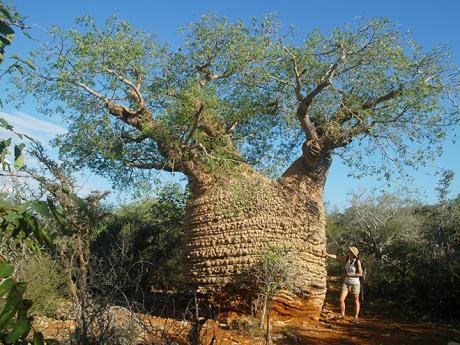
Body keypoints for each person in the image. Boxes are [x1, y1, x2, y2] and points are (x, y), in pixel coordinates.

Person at [324, 246, 362, 323]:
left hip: (355, 283)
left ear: (353, 253)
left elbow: (360, 274)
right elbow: (337, 257)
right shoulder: (347, 258)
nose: (348, 251)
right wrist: (327, 254)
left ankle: (356, 317)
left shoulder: (357, 261)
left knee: (356, 300)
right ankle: (342, 314)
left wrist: (350, 275)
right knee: (341, 299)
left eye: (350, 250)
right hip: (346, 282)